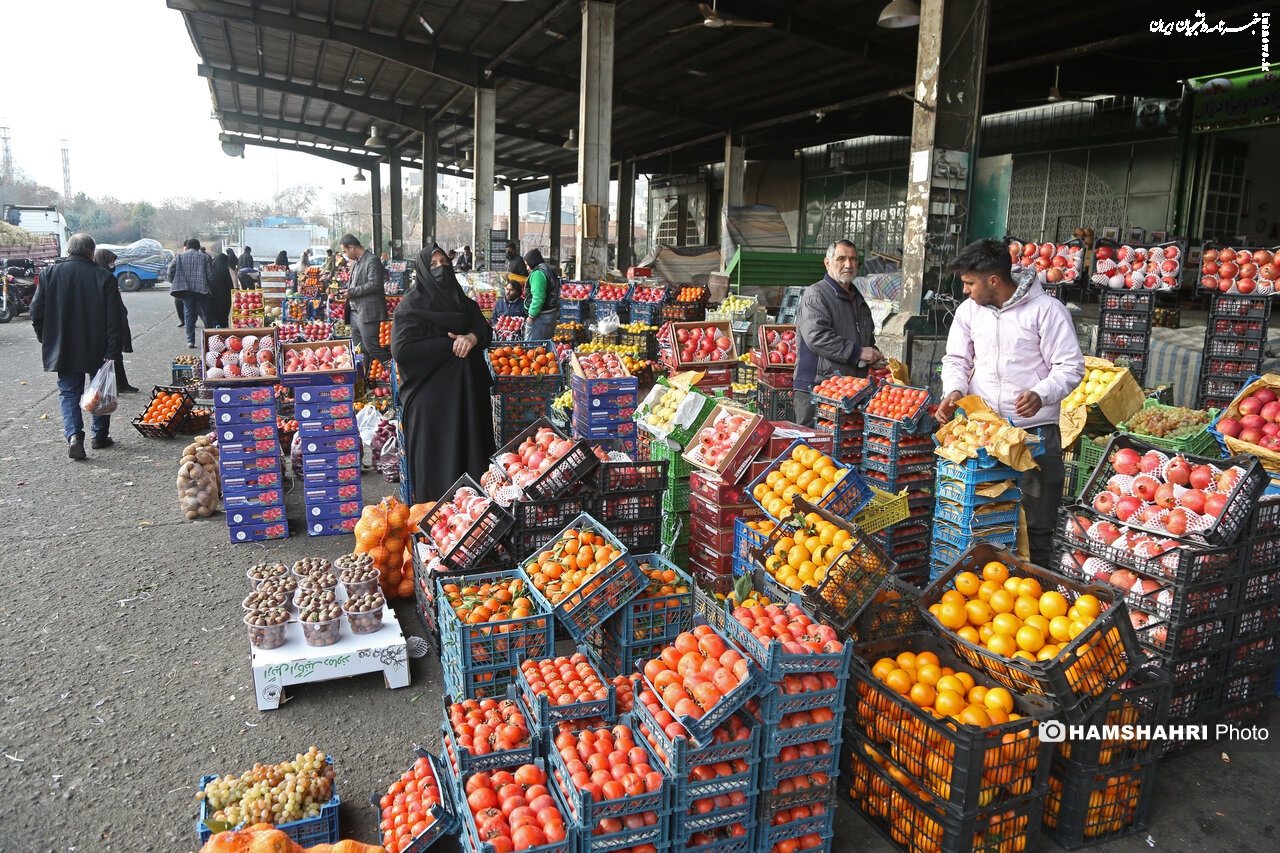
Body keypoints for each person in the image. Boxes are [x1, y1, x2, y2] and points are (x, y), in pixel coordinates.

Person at [938, 238, 1086, 569]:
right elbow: (957, 359)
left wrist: (1041, 393)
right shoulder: (968, 311)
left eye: (969, 283)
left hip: (1035, 434)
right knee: (982, 518)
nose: (965, 291)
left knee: (1037, 523)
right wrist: (954, 391)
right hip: (984, 432)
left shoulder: (1047, 311)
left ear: (993, 280)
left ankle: (1036, 585)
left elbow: (1070, 366)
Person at [391, 244, 495, 502]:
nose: (441, 268)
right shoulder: (410, 307)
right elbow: (402, 350)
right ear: (423, 272)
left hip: (468, 397)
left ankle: (476, 515)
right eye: (433, 265)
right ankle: (437, 520)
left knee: (473, 461)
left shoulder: (463, 303)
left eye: (444, 262)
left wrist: (471, 337)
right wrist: (450, 344)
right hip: (432, 401)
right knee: (438, 469)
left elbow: (484, 330)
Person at [31, 233, 121, 460]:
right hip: (98, 346)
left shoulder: (49, 274)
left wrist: (45, 337)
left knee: (69, 391)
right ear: (92, 252)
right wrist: (112, 349)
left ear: (69, 251)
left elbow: (36, 311)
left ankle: (74, 436)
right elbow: (114, 318)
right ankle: (99, 435)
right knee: (100, 390)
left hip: (63, 345)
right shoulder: (104, 277)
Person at [793, 240, 880, 427]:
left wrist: (874, 354)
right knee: (812, 442)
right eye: (841, 259)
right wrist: (858, 353)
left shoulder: (858, 299)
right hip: (817, 388)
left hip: (848, 391)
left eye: (853, 259)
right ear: (827, 263)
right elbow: (817, 337)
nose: (848, 264)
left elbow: (866, 337)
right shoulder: (816, 294)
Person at [341, 233, 391, 378]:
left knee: (372, 346)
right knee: (360, 349)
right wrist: (345, 290)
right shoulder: (356, 263)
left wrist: (352, 292)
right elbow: (355, 284)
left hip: (368, 312)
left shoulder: (372, 260)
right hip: (355, 312)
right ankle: (363, 377)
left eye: (345, 251)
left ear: (352, 247)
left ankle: (393, 366)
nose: (345, 255)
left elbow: (374, 284)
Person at [93, 248, 138, 394]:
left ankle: (121, 384)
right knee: (112, 355)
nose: (113, 264)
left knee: (116, 354)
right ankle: (112, 388)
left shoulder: (106, 276)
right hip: (107, 324)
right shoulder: (101, 277)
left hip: (115, 320)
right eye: (111, 261)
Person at [168, 238, 212, 348]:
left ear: (187, 247)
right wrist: (208, 285)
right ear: (198, 247)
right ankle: (209, 339)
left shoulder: (179, 256)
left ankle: (190, 341)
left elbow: (170, 270)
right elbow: (209, 275)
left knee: (189, 315)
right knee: (205, 314)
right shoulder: (204, 257)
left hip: (186, 289)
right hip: (201, 289)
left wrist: (174, 281)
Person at [522, 247, 560, 340]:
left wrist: (531, 316)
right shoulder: (548, 270)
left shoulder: (538, 274)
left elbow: (538, 297)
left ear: (532, 262)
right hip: (549, 314)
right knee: (545, 345)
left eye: (527, 265)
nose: (527, 268)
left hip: (541, 316)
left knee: (534, 346)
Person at [208, 251, 234, 328]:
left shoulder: (212, 270)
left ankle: (216, 324)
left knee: (215, 310)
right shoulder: (225, 270)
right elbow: (230, 285)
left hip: (214, 296)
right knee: (224, 312)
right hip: (225, 297)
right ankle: (224, 325)